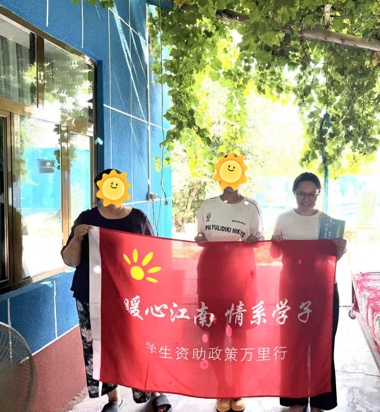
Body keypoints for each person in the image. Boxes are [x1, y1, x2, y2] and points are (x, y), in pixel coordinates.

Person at [61, 169, 172, 412]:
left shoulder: (138, 219)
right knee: (100, 346)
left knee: (140, 343)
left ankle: (152, 391)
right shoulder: (86, 219)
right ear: (98, 190)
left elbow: (155, 256)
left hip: (132, 297)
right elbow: (70, 260)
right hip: (91, 295)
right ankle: (113, 399)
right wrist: (77, 238)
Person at [272, 172, 347, 412]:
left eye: (311, 194)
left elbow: (331, 260)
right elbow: (274, 254)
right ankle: (295, 400)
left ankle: (319, 401)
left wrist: (341, 249)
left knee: (322, 345)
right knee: (293, 344)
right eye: (302, 194)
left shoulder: (328, 222)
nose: (306, 199)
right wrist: (275, 243)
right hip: (291, 290)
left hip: (323, 291)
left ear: (318, 194)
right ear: (294, 193)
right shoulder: (283, 219)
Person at [195, 182, 264, 412]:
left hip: (241, 274)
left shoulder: (251, 207)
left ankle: (237, 388)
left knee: (240, 333)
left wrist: (257, 239)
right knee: (215, 333)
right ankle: (222, 388)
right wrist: (199, 237)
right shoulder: (207, 205)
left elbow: (258, 238)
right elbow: (201, 234)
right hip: (211, 273)